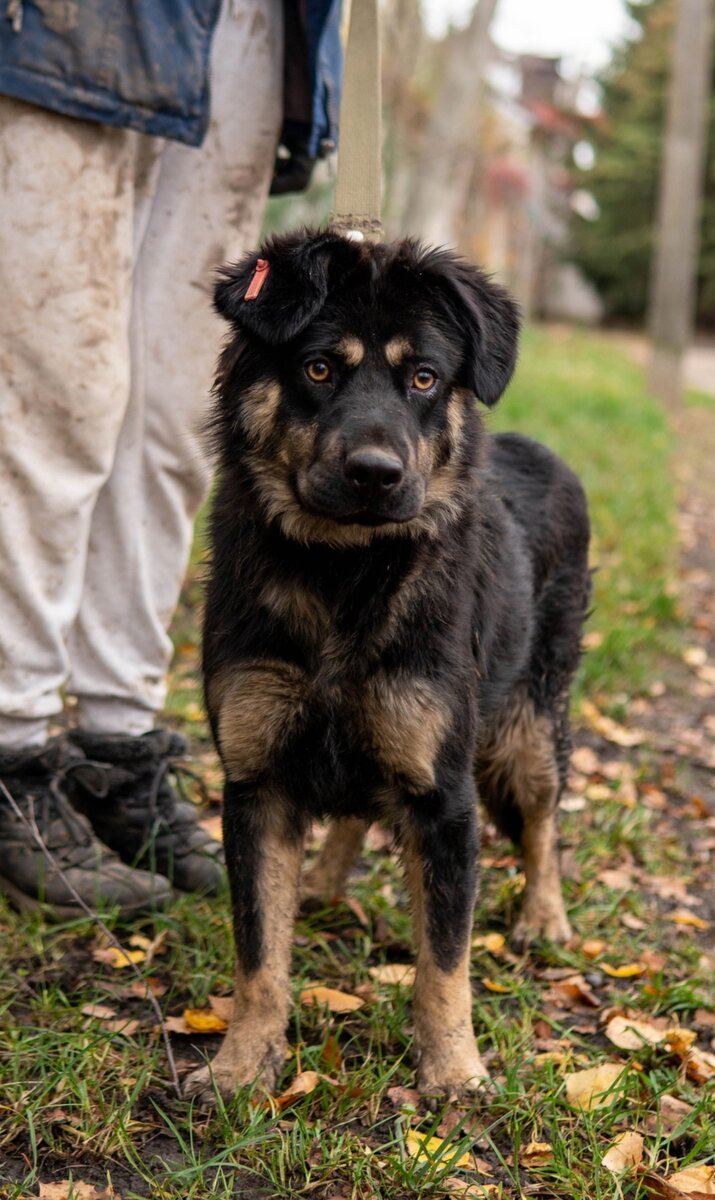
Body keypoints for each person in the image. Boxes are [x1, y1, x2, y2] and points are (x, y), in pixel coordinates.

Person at [0, 0, 342, 918]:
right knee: (53, 388)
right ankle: (13, 746)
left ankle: (117, 749)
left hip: (252, 27)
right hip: (81, 25)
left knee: (177, 414)